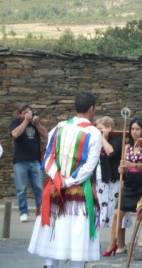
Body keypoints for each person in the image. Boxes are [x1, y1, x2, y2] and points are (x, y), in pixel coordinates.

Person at [28, 92, 102, 268]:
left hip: (55, 188)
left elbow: (47, 158)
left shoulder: (58, 128)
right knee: (77, 232)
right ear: (92, 109)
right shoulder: (93, 133)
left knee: (55, 226)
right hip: (79, 191)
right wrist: (68, 181)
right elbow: (89, 167)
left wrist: (57, 178)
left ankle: (50, 264)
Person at [102, 116, 142, 256]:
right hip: (128, 183)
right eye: (133, 129)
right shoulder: (127, 146)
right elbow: (122, 165)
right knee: (117, 213)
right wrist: (121, 169)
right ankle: (114, 244)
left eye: (138, 129)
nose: (135, 132)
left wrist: (133, 165)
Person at [10, 104, 48, 222]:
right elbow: (15, 134)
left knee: (38, 188)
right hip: (20, 162)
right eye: (26, 112)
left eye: (30, 112)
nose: (29, 114)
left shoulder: (34, 123)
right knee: (21, 189)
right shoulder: (16, 122)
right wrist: (26, 121)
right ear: (20, 114)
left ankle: (40, 211)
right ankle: (23, 212)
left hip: (35, 161)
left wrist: (37, 124)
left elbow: (46, 135)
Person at [95, 116, 122, 228]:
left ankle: (113, 231)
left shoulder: (117, 140)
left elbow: (111, 152)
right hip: (99, 176)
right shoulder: (96, 140)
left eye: (100, 129)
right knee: (101, 204)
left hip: (112, 177)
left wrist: (102, 138)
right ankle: (100, 227)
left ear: (109, 128)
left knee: (112, 205)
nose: (98, 132)